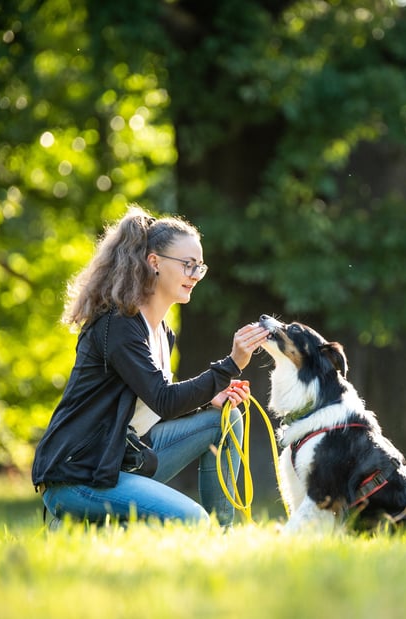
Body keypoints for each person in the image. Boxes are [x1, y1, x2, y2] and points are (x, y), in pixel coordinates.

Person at [31, 205, 269, 527]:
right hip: (78, 476)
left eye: (200, 267)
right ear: (154, 263)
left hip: (116, 461)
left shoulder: (160, 332)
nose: (194, 276)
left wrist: (209, 397)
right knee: (194, 521)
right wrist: (230, 365)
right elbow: (164, 399)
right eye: (187, 265)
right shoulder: (119, 326)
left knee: (224, 420)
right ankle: (83, 520)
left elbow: (149, 406)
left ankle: (224, 539)